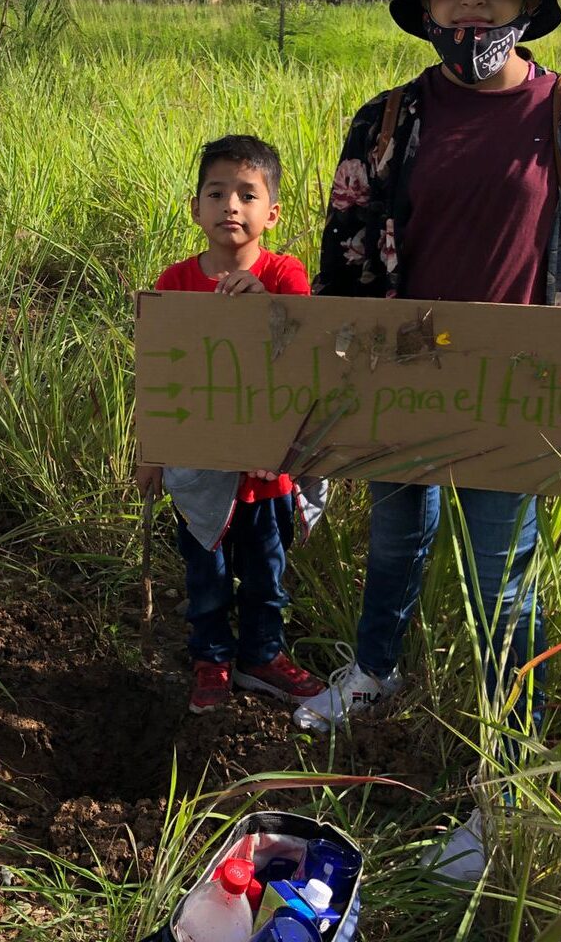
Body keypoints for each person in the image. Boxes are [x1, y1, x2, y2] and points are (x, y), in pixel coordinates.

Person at [292, 0, 561, 877]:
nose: (471, 5)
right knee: (395, 538)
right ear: (428, 4)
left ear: (526, 4)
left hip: (518, 393)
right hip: (403, 382)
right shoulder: (389, 121)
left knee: (506, 578)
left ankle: (508, 783)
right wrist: (322, 398)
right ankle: (375, 673)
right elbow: (347, 274)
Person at [136, 135, 327, 714]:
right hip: (199, 466)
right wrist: (151, 452)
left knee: (268, 569)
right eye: (216, 193)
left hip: (267, 469)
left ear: (272, 213)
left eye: (247, 194)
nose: (231, 207)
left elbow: (305, 357)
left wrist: (263, 302)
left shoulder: (286, 276)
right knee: (207, 571)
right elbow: (158, 373)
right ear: (195, 208)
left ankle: (263, 656)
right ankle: (211, 658)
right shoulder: (176, 284)